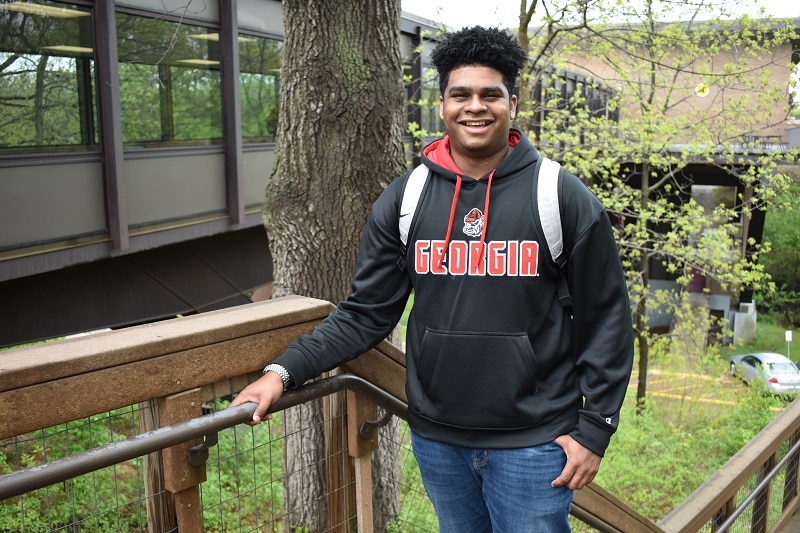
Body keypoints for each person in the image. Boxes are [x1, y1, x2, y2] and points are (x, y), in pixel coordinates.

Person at [230, 25, 634, 532]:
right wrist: (283, 372)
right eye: (460, 94)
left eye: (491, 94)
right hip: (438, 440)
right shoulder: (407, 198)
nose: (475, 107)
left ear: (513, 103)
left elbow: (608, 320)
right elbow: (365, 313)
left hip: (534, 443)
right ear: (441, 104)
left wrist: (595, 429)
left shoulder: (560, 196)